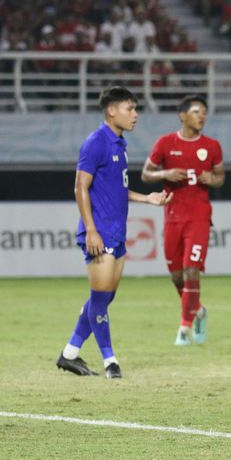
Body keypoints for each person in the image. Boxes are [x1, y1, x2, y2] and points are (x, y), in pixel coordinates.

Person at [56, 86, 171, 378]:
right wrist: (92, 230)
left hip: (117, 232)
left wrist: (147, 198)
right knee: (100, 295)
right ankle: (111, 362)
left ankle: (69, 354)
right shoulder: (95, 142)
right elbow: (80, 187)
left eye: (135, 109)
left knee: (104, 298)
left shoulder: (119, 143)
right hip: (99, 232)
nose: (135, 115)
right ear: (111, 110)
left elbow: (116, 189)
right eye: (129, 108)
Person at [141, 95, 225, 345]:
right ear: (183, 115)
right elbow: (146, 174)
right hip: (172, 217)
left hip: (199, 216)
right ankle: (198, 310)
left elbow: (220, 176)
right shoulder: (166, 143)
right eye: (197, 112)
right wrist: (166, 173)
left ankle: (184, 329)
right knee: (177, 276)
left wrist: (213, 179)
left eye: (204, 113)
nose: (202, 116)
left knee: (191, 270)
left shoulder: (211, 146)